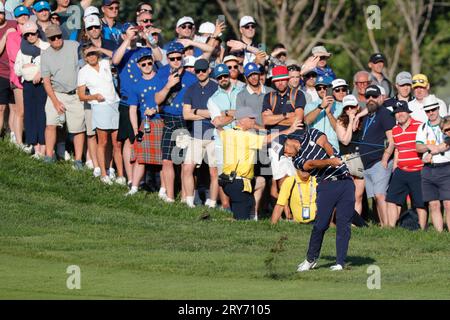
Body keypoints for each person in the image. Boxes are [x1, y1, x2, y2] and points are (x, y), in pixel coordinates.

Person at [218, 107, 302, 220]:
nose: (254, 120)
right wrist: (289, 130)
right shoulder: (245, 136)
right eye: (251, 118)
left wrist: (233, 116)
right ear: (242, 120)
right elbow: (267, 139)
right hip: (238, 183)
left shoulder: (228, 133)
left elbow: (217, 123)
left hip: (229, 182)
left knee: (261, 181)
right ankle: (219, 220)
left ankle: (254, 216)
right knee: (241, 221)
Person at [289, 127, 354, 272]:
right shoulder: (296, 160)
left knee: (344, 225)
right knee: (321, 224)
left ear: (289, 142)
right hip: (326, 185)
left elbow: (324, 142)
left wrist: (332, 157)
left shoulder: (310, 133)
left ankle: (340, 263)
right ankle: (310, 259)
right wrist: (329, 162)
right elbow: (310, 164)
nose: (286, 155)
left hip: (346, 183)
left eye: (285, 151)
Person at [112, 21, 162, 185]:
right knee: (129, 140)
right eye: (129, 31)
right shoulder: (122, 50)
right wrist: (128, 39)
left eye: (134, 30)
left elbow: (159, 57)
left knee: (148, 140)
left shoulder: (144, 50)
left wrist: (148, 37)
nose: (133, 33)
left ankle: (146, 178)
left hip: (147, 103)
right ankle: (131, 178)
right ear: (123, 34)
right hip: (128, 102)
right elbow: (115, 61)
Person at [154, 41, 197, 203]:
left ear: (183, 57)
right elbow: (157, 99)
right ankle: (170, 197)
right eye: (172, 59)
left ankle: (186, 197)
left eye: (179, 58)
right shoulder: (162, 73)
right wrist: (168, 86)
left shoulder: (191, 78)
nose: (176, 62)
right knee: (167, 160)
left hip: (184, 121)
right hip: (168, 119)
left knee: (182, 161)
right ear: (168, 58)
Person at [77, 42, 125, 185]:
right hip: (99, 107)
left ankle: (120, 175)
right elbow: (81, 96)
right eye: (88, 54)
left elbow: (116, 57)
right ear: (84, 57)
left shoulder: (105, 63)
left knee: (117, 143)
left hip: (114, 104)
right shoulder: (83, 71)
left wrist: (99, 48)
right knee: (102, 141)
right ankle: (103, 174)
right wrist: (94, 96)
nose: (91, 57)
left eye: (93, 53)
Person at [40, 24, 85, 168]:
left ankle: (78, 160)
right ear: (48, 39)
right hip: (56, 93)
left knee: (78, 128)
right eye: (53, 38)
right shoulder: (46, 54)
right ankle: (48, 156)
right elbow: (46, 82)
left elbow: (84, 65)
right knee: (51, 124)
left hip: (75, 93)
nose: (57, 40)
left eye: (59, 36)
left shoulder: (74, 46)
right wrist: (55, 102)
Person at [182, 59, 218, 208]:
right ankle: (190, 201)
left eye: (204, 70)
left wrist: (196, 111)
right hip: (196, 134)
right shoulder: (190, 89)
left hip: (214, 135)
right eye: (198, 71)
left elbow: (217, 114)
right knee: (187, 168)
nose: (201, 73)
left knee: (214, 172)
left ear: (209, 70)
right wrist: (207, 114)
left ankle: (213, 203)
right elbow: (186, 115)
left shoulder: (217, 88)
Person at [127, 51, 164, 195]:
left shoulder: (161, 80)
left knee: (162, 159)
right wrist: (136, 129)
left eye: (149, 62)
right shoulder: (135, 85)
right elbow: (132, 109)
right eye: (143, 64)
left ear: (153, 62)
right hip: (145, 124)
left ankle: (163, 189)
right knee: (140, 158)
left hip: (161, 122)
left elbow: (168, 101)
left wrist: (155, 109)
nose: (147, 66)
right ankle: (134, 188)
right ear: (138, 66)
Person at [358, 85, 396, 226]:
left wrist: (385, 159)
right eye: (368, 97)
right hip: (368, 164)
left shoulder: (384, 113)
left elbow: (392, 141)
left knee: (380, 195)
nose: (371, 99)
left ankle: (387, 227)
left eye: (374, 96)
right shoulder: (369, 115)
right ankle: (383, 225)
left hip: (379, 162)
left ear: (381, 97)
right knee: (376, 197)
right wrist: (357, 116)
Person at [386, 101, 427, 229]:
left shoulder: (420, 126)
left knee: (420, 203)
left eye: (402, 111)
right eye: (397, 112)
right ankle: (391, 229)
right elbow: (398, 149)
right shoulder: (395, 130)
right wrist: (395, 167)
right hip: (401, 170)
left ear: (408, 112)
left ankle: (422, 229)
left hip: (418, 170)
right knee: (392, 200)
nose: (400, 114)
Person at [207, 64, 242, 210]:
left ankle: (239, 205)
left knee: (240, 174)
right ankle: (226, 205)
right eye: (219, 77)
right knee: (223, 175)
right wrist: (236, 115)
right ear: (216, 80)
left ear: (229, 76)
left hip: (241, 138)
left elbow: (247, 113)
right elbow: (217, 122)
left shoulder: (241, 92)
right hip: (222, 139)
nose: (223, 79)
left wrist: (226, 113)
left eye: (225, 76)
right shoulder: (212, 99)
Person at [14, 20, 49, 158]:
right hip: (28, 85)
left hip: (43, 85)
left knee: (42, 114)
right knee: (30, 114)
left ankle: (43, 146)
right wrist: (26, 69)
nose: (30, 37)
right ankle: (35, 146)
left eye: (32, 34)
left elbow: (51, 64)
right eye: (27, 35)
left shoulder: (46, 47)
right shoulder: (22, 49)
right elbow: (17, 69)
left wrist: (39, 71)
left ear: (37, 33)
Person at [416, 97, 450, 232]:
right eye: (428, 111)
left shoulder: (447, 123)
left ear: (438, 108)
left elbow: (446, 144)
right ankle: (439, 234)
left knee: (448, 203)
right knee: (433, 204)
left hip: (446, 167)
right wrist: (429, 147)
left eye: (433, 109)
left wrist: (432, 151)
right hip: (428, 170)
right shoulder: (423, 127)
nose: (431, 113)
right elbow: (418, 147)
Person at [335, 95, 365, 215]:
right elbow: (345, 141)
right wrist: (351, 120)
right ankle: (345, 219)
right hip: (347, 158)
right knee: (348, 195)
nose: (349, 110)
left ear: (357, 106)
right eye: (346, 108)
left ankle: (355, 222)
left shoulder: (363, 119)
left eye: (352, 107)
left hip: (361, 158)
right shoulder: (340, 121)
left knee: (359, 195)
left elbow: (374, 106)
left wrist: (358, 116)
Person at [5, 5, 30, 151]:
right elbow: (15, 56)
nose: (23, 17)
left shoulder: (33, 33)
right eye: (20, 16)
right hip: (18, 78)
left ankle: (16, 137)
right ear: (16, 18)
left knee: (19, 110)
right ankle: (19, 142)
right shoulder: (13, 35)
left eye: (25, 14)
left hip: (29, 76)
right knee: (20, 111)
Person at [304, 78, 346, 152]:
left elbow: (339, 129)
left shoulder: (340, 106)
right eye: (318, 88)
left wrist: (329, 113)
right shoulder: (309, 105)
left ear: (330, 88)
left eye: (325, 87)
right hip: (314, 147)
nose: (322, 90)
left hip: (334, 147)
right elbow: (307, 121)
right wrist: (321, 106)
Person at [0, 2, 17, 138]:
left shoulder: (13, 24)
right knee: (1, 107)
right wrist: (5, 36)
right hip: (1, 73)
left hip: (16, 73)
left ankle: (12, 135)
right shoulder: (7, 29)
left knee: (15, 107)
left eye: (1, 13)